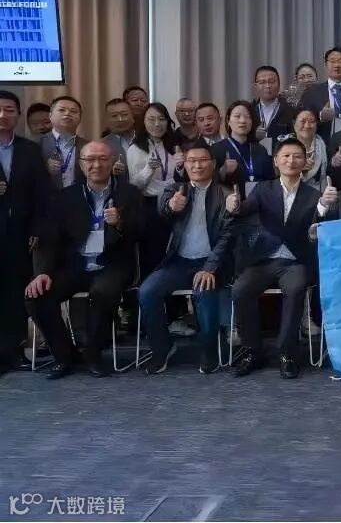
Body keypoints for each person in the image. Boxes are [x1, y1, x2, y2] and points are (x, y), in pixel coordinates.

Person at [24, 141, 143, 379]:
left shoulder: (129, 194)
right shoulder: (65, 197)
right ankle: (64, 355)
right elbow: (50, 238)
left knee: (102, 292)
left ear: (113, 162)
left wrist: (120, 223)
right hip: (76, 265)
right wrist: (42, 272)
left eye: (102, 159)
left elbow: (142, 232)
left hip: (112, 263)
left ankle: (93, 354)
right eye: (90, 160)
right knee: (37, 296)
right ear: (81, 164)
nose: (96, 165)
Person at [229, 138, 325, 379]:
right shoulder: (263, 189)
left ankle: (287, 353)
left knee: (295, 289)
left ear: (305, 162)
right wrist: (234, 205)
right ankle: (252, 351)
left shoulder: (314, 195)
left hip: (295, 261)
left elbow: (320, 226)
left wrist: (324, 209)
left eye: (297, 156)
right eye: (286, 156)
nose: (291, 161)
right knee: (240, 290)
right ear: (276, 161)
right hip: (265, 258)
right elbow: (244, 209)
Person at [139, 141, 235, 374]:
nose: (197, 166)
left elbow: (228, 236)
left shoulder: (226, 194)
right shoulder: (175, 190)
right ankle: (162, 348)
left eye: (203, 161)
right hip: (179, 262)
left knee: (204, 293)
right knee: (147, 291)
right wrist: (172, 207)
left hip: (211, 263)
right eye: (192, 161)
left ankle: (209, 349)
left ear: (213, 164)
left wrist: (210, 267)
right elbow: (163, 212)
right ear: (185, 164)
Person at [0, 90, 48, 376]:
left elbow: (42, 194)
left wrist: (38, 229)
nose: (3, 115)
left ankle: (13, 351)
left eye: (9, 110)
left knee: (15, 295)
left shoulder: (29, 150)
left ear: (18, 115)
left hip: (20, 234)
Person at [127, 102, 184, 277]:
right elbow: (134, 185)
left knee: (174, 250)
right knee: (153, 254)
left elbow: (180, 179)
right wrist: (148, 170)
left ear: (168, 121)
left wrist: (181, 167)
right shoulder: (136, 149)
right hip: (149, 206)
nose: (157, 124)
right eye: (151, 119)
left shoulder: (173, 145)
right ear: (143, 122)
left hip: (174, 204)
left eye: (161, 119)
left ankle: (173, 292)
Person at [211, 100, 276, 195]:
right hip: (232, 201)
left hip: (261, 201)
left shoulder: (261, 150)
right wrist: (222, 172)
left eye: (248, 117)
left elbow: (271, 182)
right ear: (228, 120)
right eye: (237, 116)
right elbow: (209, 184)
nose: (242, 121)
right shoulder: (216, 149)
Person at [300, 47, 341, 145]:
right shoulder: (311, 92)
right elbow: (301, 122)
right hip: (320, 145)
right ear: (326, 65)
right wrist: (320, 117)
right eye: (332, 61)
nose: (336, 65)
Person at [40, 95, 87, 190]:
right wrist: (43, 169)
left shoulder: (88, 146)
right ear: (50, 116)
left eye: (73, 111)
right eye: (62, 110)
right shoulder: (35, 144)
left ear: (80, 118)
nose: (67, 113)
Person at [250, 65, 298, 153]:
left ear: (279, 85)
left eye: (272, 81)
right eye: (262, 82)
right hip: (255, 158)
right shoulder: (249, 112)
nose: (267, 86)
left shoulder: (291, 111)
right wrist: (254, 135)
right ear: (255, 86)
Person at [293, 109, 328, 191]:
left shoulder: (322, 144)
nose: (307, 126)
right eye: (303, 121)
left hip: (318, 194)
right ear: (294, 124)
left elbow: (325, 177)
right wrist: (299, 169)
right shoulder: (285, 146)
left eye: (311, 121)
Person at [102, 98, 136, 180]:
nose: (120, 119)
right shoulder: (101, 145)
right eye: (114, 116)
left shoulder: (147, 140)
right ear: (107, 120)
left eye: (124, 114)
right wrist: (112, 173)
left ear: (132, 116)